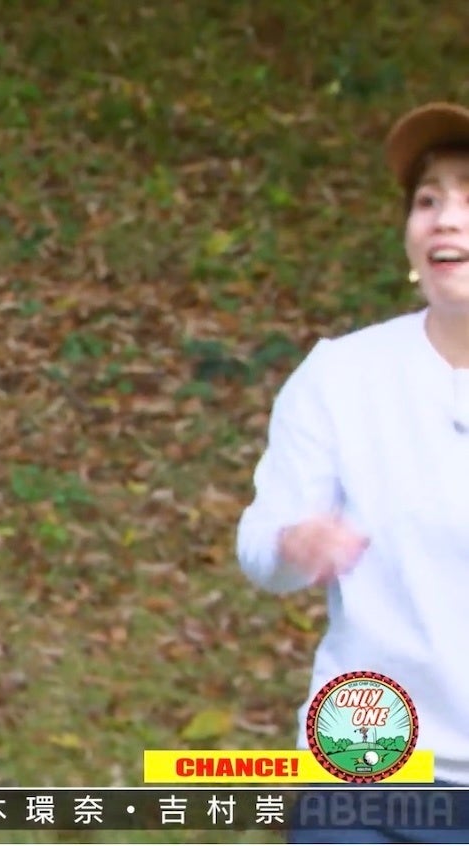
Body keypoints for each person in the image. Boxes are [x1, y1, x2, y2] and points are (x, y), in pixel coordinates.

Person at [236, 101, 469, 843]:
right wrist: (294, 544)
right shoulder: (342, 375)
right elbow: (262, 543)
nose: (446, 219)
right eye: (428, 200)